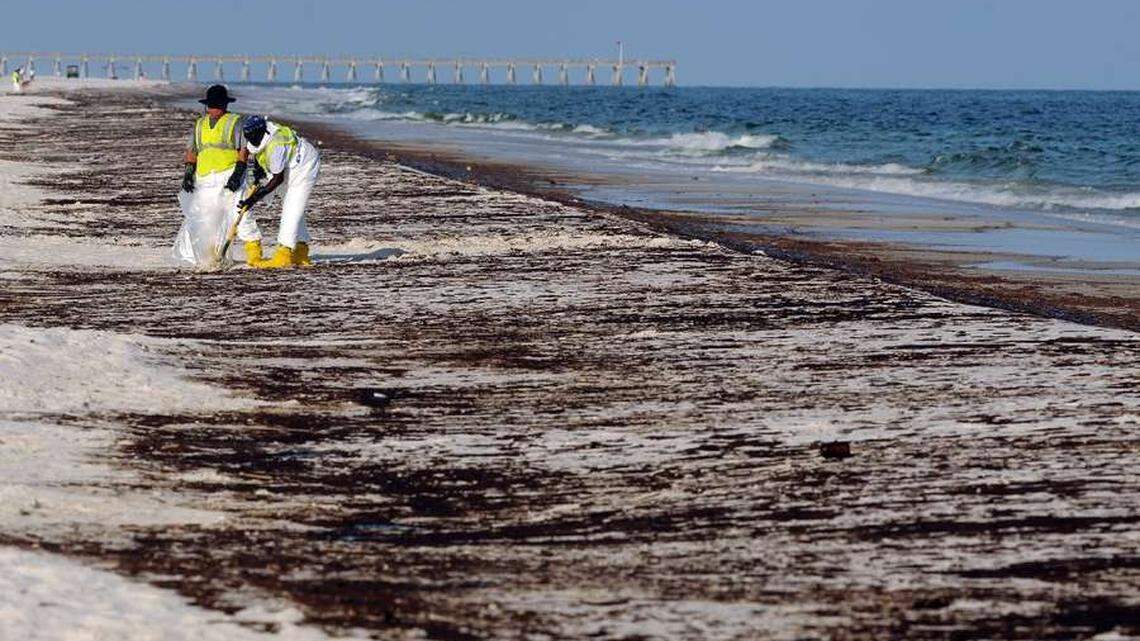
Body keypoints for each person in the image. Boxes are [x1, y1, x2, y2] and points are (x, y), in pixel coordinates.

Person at [174, 84, 264, 267]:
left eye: (217, 105)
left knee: (240, 214)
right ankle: (211, 256)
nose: (214, 109)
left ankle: (254, 253)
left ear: (225, 105)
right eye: (211, 105)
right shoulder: (199, 124)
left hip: (229, 174)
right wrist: (188, 173)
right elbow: (192, 151)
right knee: (206, 219)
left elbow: (243, 149)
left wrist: (238, 172)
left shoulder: (235, 122)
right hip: (205, 178)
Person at [238, 115, 321, 269]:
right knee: (293, 208)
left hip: (305, 165)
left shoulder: (276, 145)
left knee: (292, 207)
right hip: (289, 164)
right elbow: (258, 155)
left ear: (261, 133)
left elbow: (277, 179)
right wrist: (258, 171)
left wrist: (254, 198)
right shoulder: (257, 136)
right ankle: (301, 250)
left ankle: (284, 254)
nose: (249, 140)